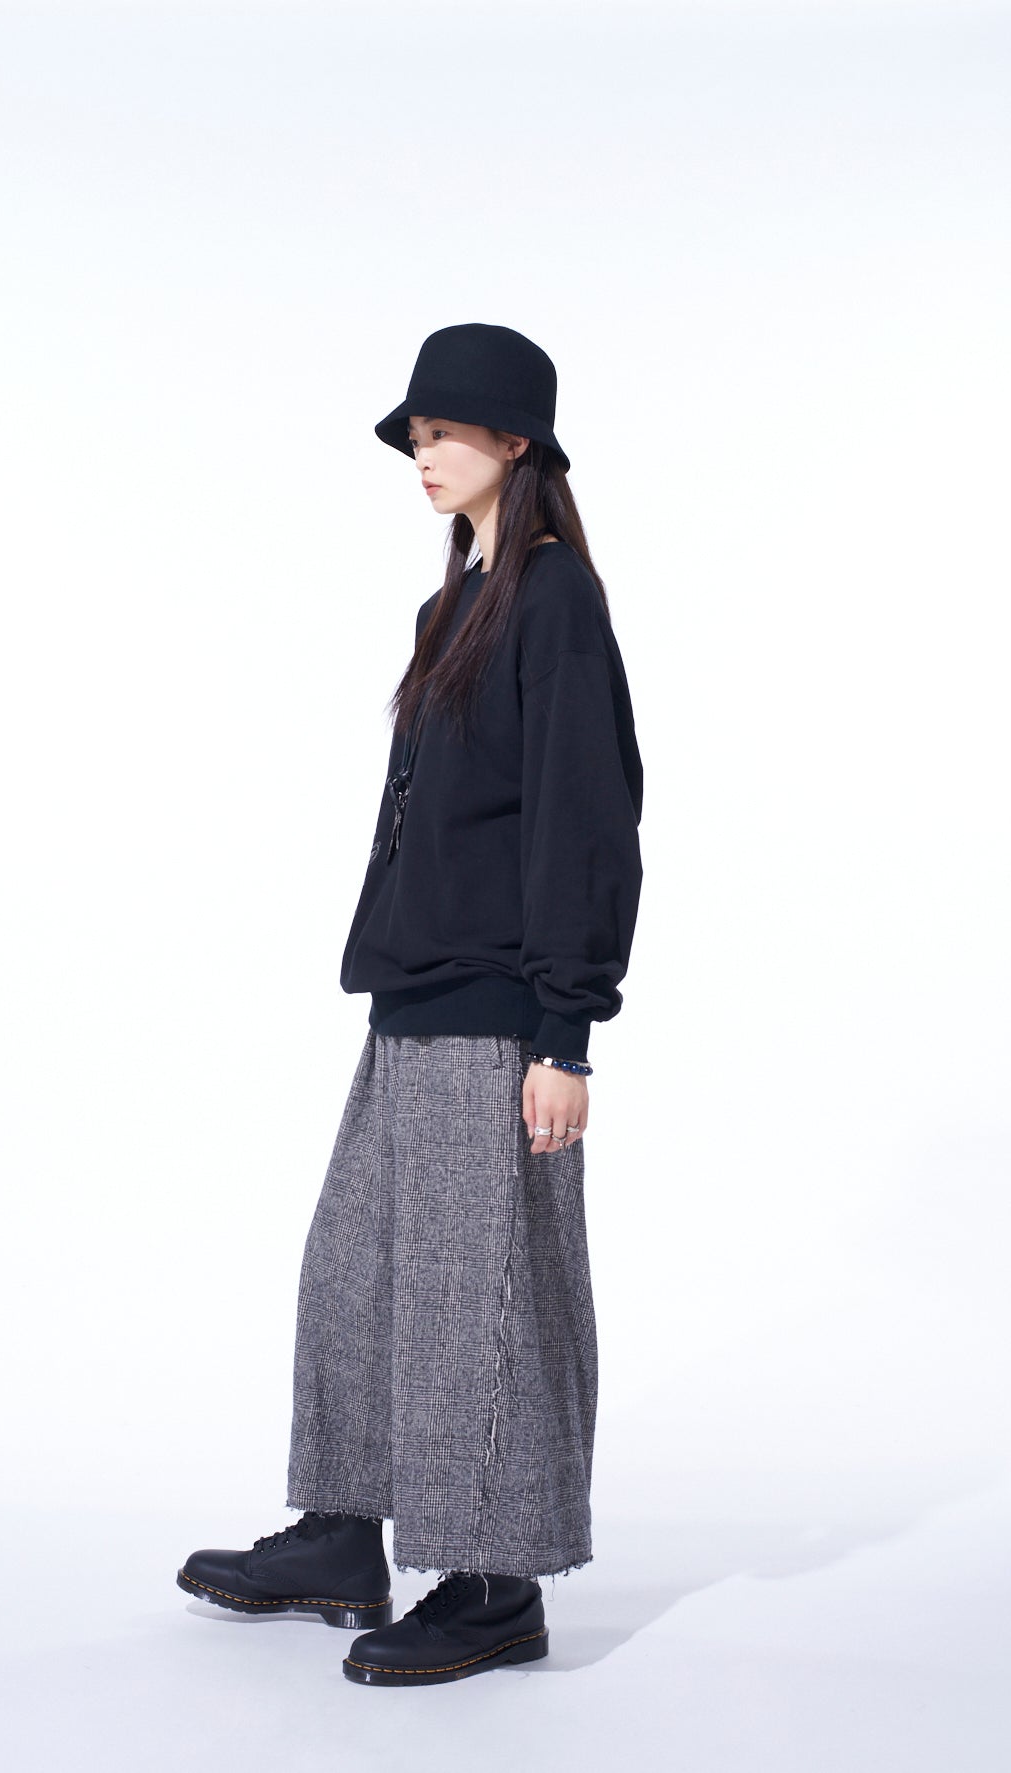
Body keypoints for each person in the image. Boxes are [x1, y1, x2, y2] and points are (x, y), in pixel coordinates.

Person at [177, 322, 644, 1687]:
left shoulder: (554, 599)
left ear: (516, 441)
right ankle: (342, 1530)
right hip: (411, 1000)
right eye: (415, 435)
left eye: (445, 432)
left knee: (478, 1296)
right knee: (357, 1273)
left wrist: (566, 1034)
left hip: (500, 1010)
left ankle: (496, 1582)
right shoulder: (456, 607)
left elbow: (587, 819)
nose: (422, 455)